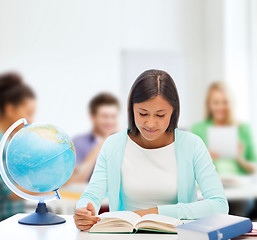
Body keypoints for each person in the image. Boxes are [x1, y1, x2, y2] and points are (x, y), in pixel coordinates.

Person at [73, 69, 228, 231]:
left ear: (173, 110)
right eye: (143, 113)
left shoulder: (192, 145)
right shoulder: (113, 145)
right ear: (131, 108)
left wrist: (154, 213)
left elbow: (219, 205)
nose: (150, 124)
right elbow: (91, 195)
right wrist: (84, 210)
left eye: (160, 115)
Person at [191, 81, 257, 217]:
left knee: (238, 209)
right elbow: (189, 168)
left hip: (239, 190)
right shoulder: (198, 129)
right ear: (209, 105)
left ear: (231, 103)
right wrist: (204, 158)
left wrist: (241, 159)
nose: (221, 107)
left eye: (225, 102)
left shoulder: (243, 129)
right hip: (209, 189)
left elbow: (253, 167)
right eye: (216, 102)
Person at [0, 72, 37, 221]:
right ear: (10, 109)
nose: (31, 120)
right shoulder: (2, 144)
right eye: (28, 113)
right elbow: (11, 192)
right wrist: (49, 186)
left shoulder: (8, 143)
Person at [68, 93, 120, 184]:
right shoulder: (78, 143)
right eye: (104, 116)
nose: (110, 121)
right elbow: (76, 179)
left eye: (113, 117)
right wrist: (104, 142)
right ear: (92, 117)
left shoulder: (125, 142)